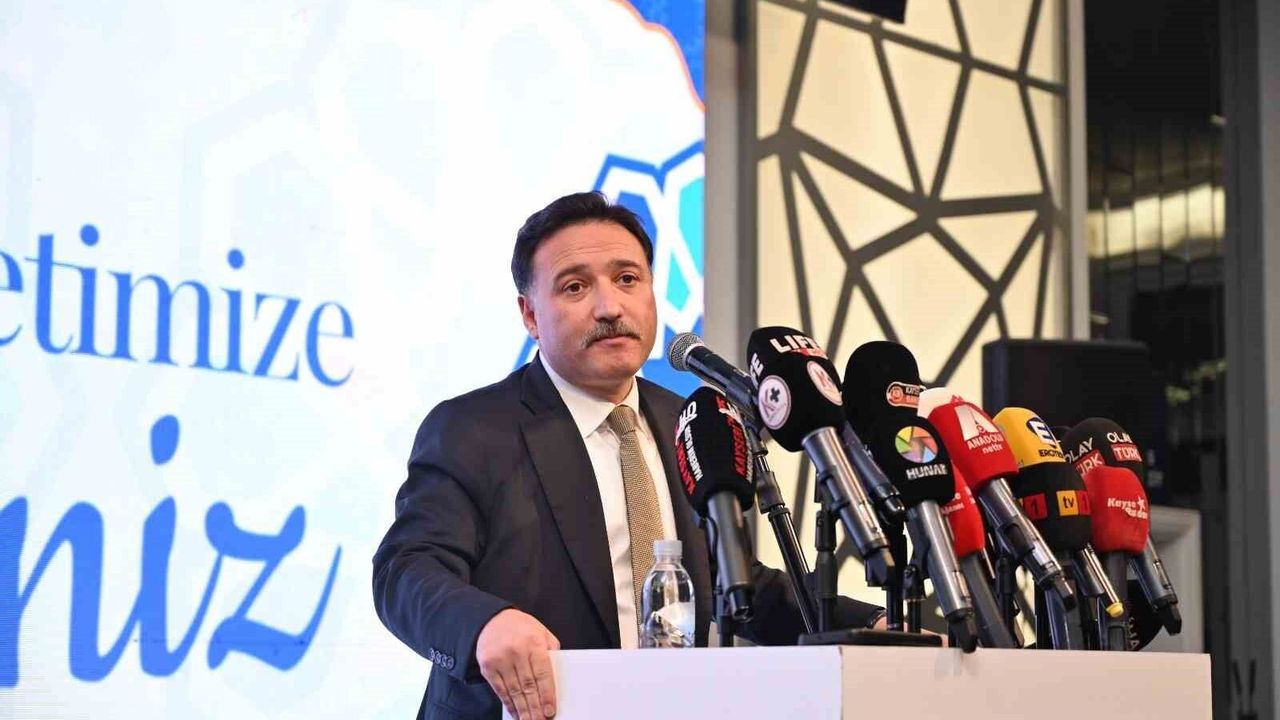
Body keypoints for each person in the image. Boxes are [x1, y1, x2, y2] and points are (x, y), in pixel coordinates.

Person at [372, 192, 886, 720]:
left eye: (627, 279)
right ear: (530, 314)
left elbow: (735, 582)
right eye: (575, 287)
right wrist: (484, 624)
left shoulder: (691, 420)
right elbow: (406, 569)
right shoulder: (473, 429)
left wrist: (871, 627)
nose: (610, 307)